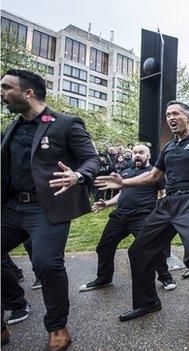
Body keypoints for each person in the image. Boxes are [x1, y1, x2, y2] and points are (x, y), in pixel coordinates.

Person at [95, 101, 189, 331]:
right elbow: (152, 176)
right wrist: (123, 182)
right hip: (167, 203)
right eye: (168, 115)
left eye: (175, 113)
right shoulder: (167, 148)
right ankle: (147, 302)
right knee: (138, 251)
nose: (171, 118)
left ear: (188, 118)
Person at [1, 69, 100, 349]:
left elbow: (91, 160)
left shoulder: (66, 124)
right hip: (9, 207)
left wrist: (78, 176)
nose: (2, 93)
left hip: (45, 209)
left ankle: (57, 327)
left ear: (28, 92)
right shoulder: (12, 127)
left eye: (6, 88)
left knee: (46, 263)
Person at [79, 144, 177, 292]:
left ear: (148, 155)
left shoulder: (154, 173)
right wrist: (106, 203)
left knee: (151, 247)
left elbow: (163, 193)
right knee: (104, 246)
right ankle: (104, 278)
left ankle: (165, 277)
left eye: (141, 152)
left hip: (142, 215)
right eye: (135, 152)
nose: (137, 155)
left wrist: (162, 211)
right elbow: (123, 194)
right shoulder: (125, 173)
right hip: (120, 216)